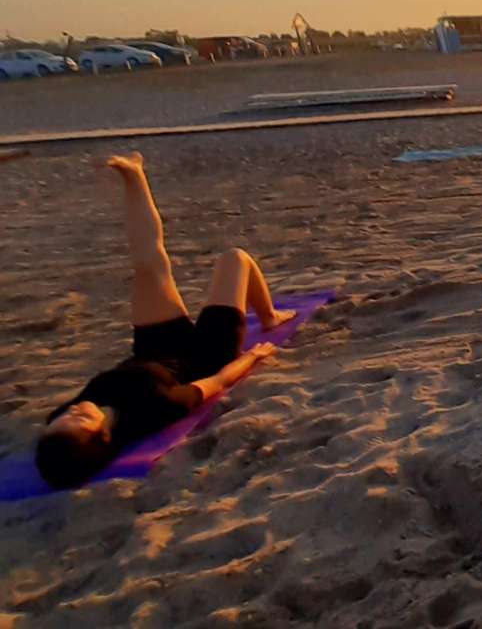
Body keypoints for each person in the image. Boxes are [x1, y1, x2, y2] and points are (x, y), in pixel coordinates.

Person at [37, 153, 293, 489]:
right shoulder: (156, 409)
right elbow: (217, 381)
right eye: (81, 418)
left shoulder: (61, 424)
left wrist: (68, 420)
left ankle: (134, 173)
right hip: (205, 355)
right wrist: (253, 356)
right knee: (235, 258)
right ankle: (270, 316)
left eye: (66, 415)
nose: (75, 409)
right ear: (103, 435)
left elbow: (64, 433)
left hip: (154, 346)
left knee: (148, 264)